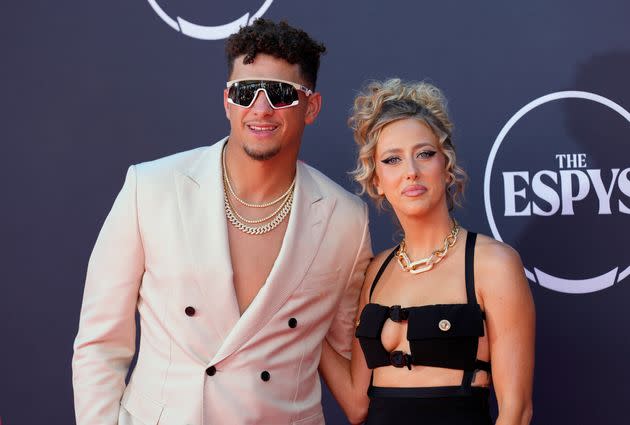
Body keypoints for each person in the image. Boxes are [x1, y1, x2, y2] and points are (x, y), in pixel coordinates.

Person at [72, 19, 372, 425]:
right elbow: (99, 344)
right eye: (246, 92)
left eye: (282, 94)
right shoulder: (152, 187)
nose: (260, 109)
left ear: (311, 107)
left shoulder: (346, 220)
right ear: (227, 101)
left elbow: (345, 356)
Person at [319, 78, 535, 425]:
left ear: (446, 166)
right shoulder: (376, 271)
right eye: (392, 160)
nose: (411, 172)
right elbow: (358, 405)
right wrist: (305, 327)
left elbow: (516, 412)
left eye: (424, 154)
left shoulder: (492, 263)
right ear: (376, 180)